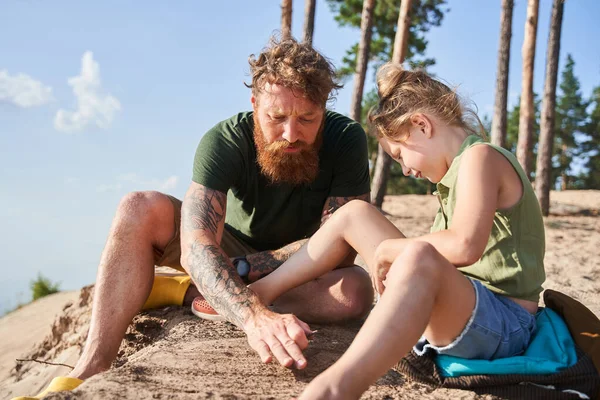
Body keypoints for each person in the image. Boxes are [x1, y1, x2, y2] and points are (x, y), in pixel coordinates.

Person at [12, 37, 374, 400]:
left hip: (303, 265)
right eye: (276, 118)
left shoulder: (346, 140)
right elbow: (198, 245)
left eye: (307, 119)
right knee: (138, 206)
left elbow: (340, 246)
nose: (290, 134)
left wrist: (241, 269)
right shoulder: (225, 139)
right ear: (254, 104)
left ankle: (187, 291)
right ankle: (90, 366)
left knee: (354, 292)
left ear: (323, 110)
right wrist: (253, 316)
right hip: (232, 245)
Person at [236, 64, 546, 399]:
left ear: (421, 125)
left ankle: (335, 388)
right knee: (354, 214)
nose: (406, 170)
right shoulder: (455, 173)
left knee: (417, 254)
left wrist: (391, 251)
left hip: (504, 324)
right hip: (465, 308)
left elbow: (465, 245)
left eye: (399, 154)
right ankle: (257, 293)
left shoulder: (480, 157)